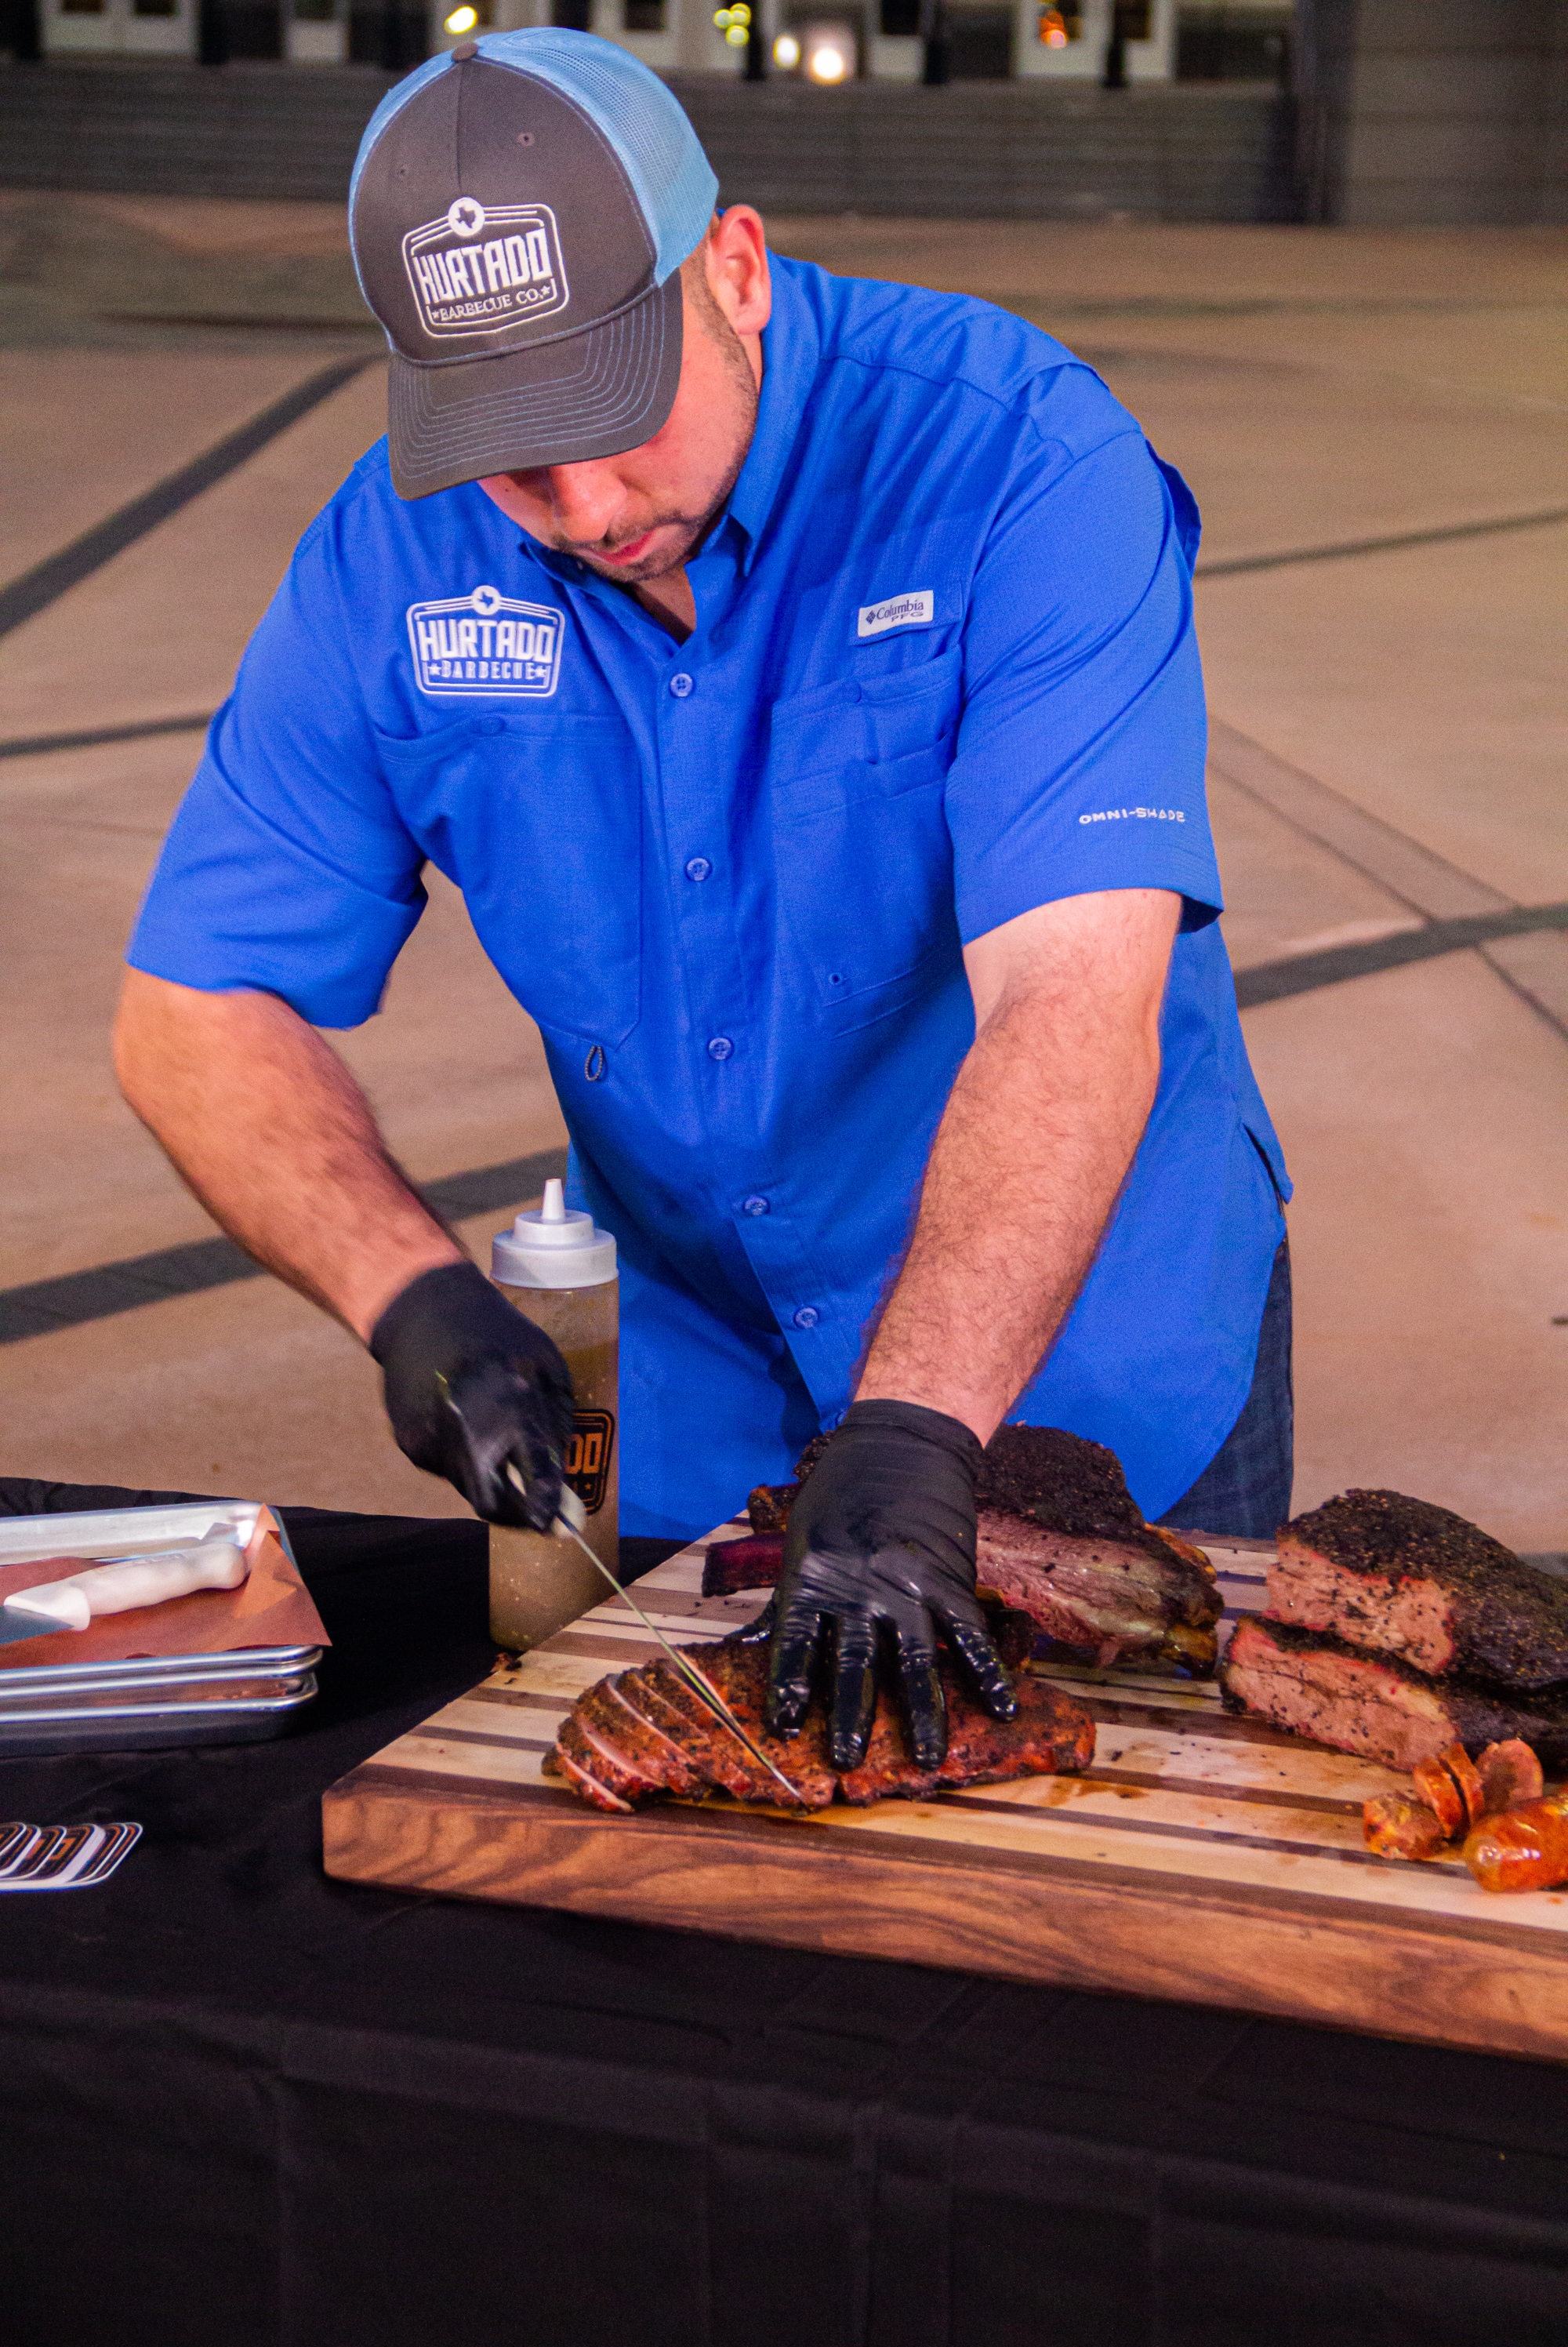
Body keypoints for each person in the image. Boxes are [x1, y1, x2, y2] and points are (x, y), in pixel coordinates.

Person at [114, 29, 1290, 1773]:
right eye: (515, 456)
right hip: (693, 1399)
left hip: (1084, 1369)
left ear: (730, 269)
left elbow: (1074, 992)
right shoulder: (392, 559)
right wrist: (416, 1301)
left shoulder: (1017, 463)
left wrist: (914, 1425)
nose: (587, 512)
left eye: (608, 419)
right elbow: (192, 1009)